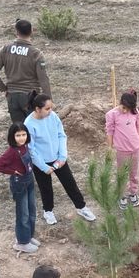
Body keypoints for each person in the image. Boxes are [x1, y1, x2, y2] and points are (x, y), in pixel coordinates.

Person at [23, 93, 96, 225]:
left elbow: (61, 135)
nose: (50, 111)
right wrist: (44, 167)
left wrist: (62, 156)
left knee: (70, 183)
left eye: (51, 107)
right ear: (37, 109)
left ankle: (81, 207)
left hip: (58, 158)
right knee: (45, 188)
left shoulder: (53, 116)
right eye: (47, 109)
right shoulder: (28, 124)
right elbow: (31, 149)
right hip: (41, 163)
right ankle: (48, 211)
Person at [0, 19, 52, 123]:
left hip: (12, 97)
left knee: (19, 132)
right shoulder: (36, 53)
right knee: (34, 129)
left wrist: (4, 89)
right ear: (32, 31)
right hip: (30, 97)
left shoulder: (5, 49)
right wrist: (48, 100)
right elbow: (43, 79)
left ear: (16, 32)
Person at [0, 123, 40, 254]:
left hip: (29, 181)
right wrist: (13, 171)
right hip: (19, 185)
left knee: (32, 210)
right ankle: (22, 242)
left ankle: (28, 236)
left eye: (23, 134)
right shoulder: (11, 151)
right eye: (18, 135)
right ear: (12, 137)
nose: (21, 138)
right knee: (23, 214)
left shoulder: (25, 147)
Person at [105, 90, 139, 210]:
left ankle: (133, 192)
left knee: (134, 173)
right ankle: (122, 195)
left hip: (135, 147)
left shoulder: (135, 112)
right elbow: (109, 132)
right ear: (120, 102)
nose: (125, 111)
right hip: (122, 150)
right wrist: (110, 148)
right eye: (123, 107)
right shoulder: (111, 114)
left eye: (127, 109)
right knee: (122, 174)